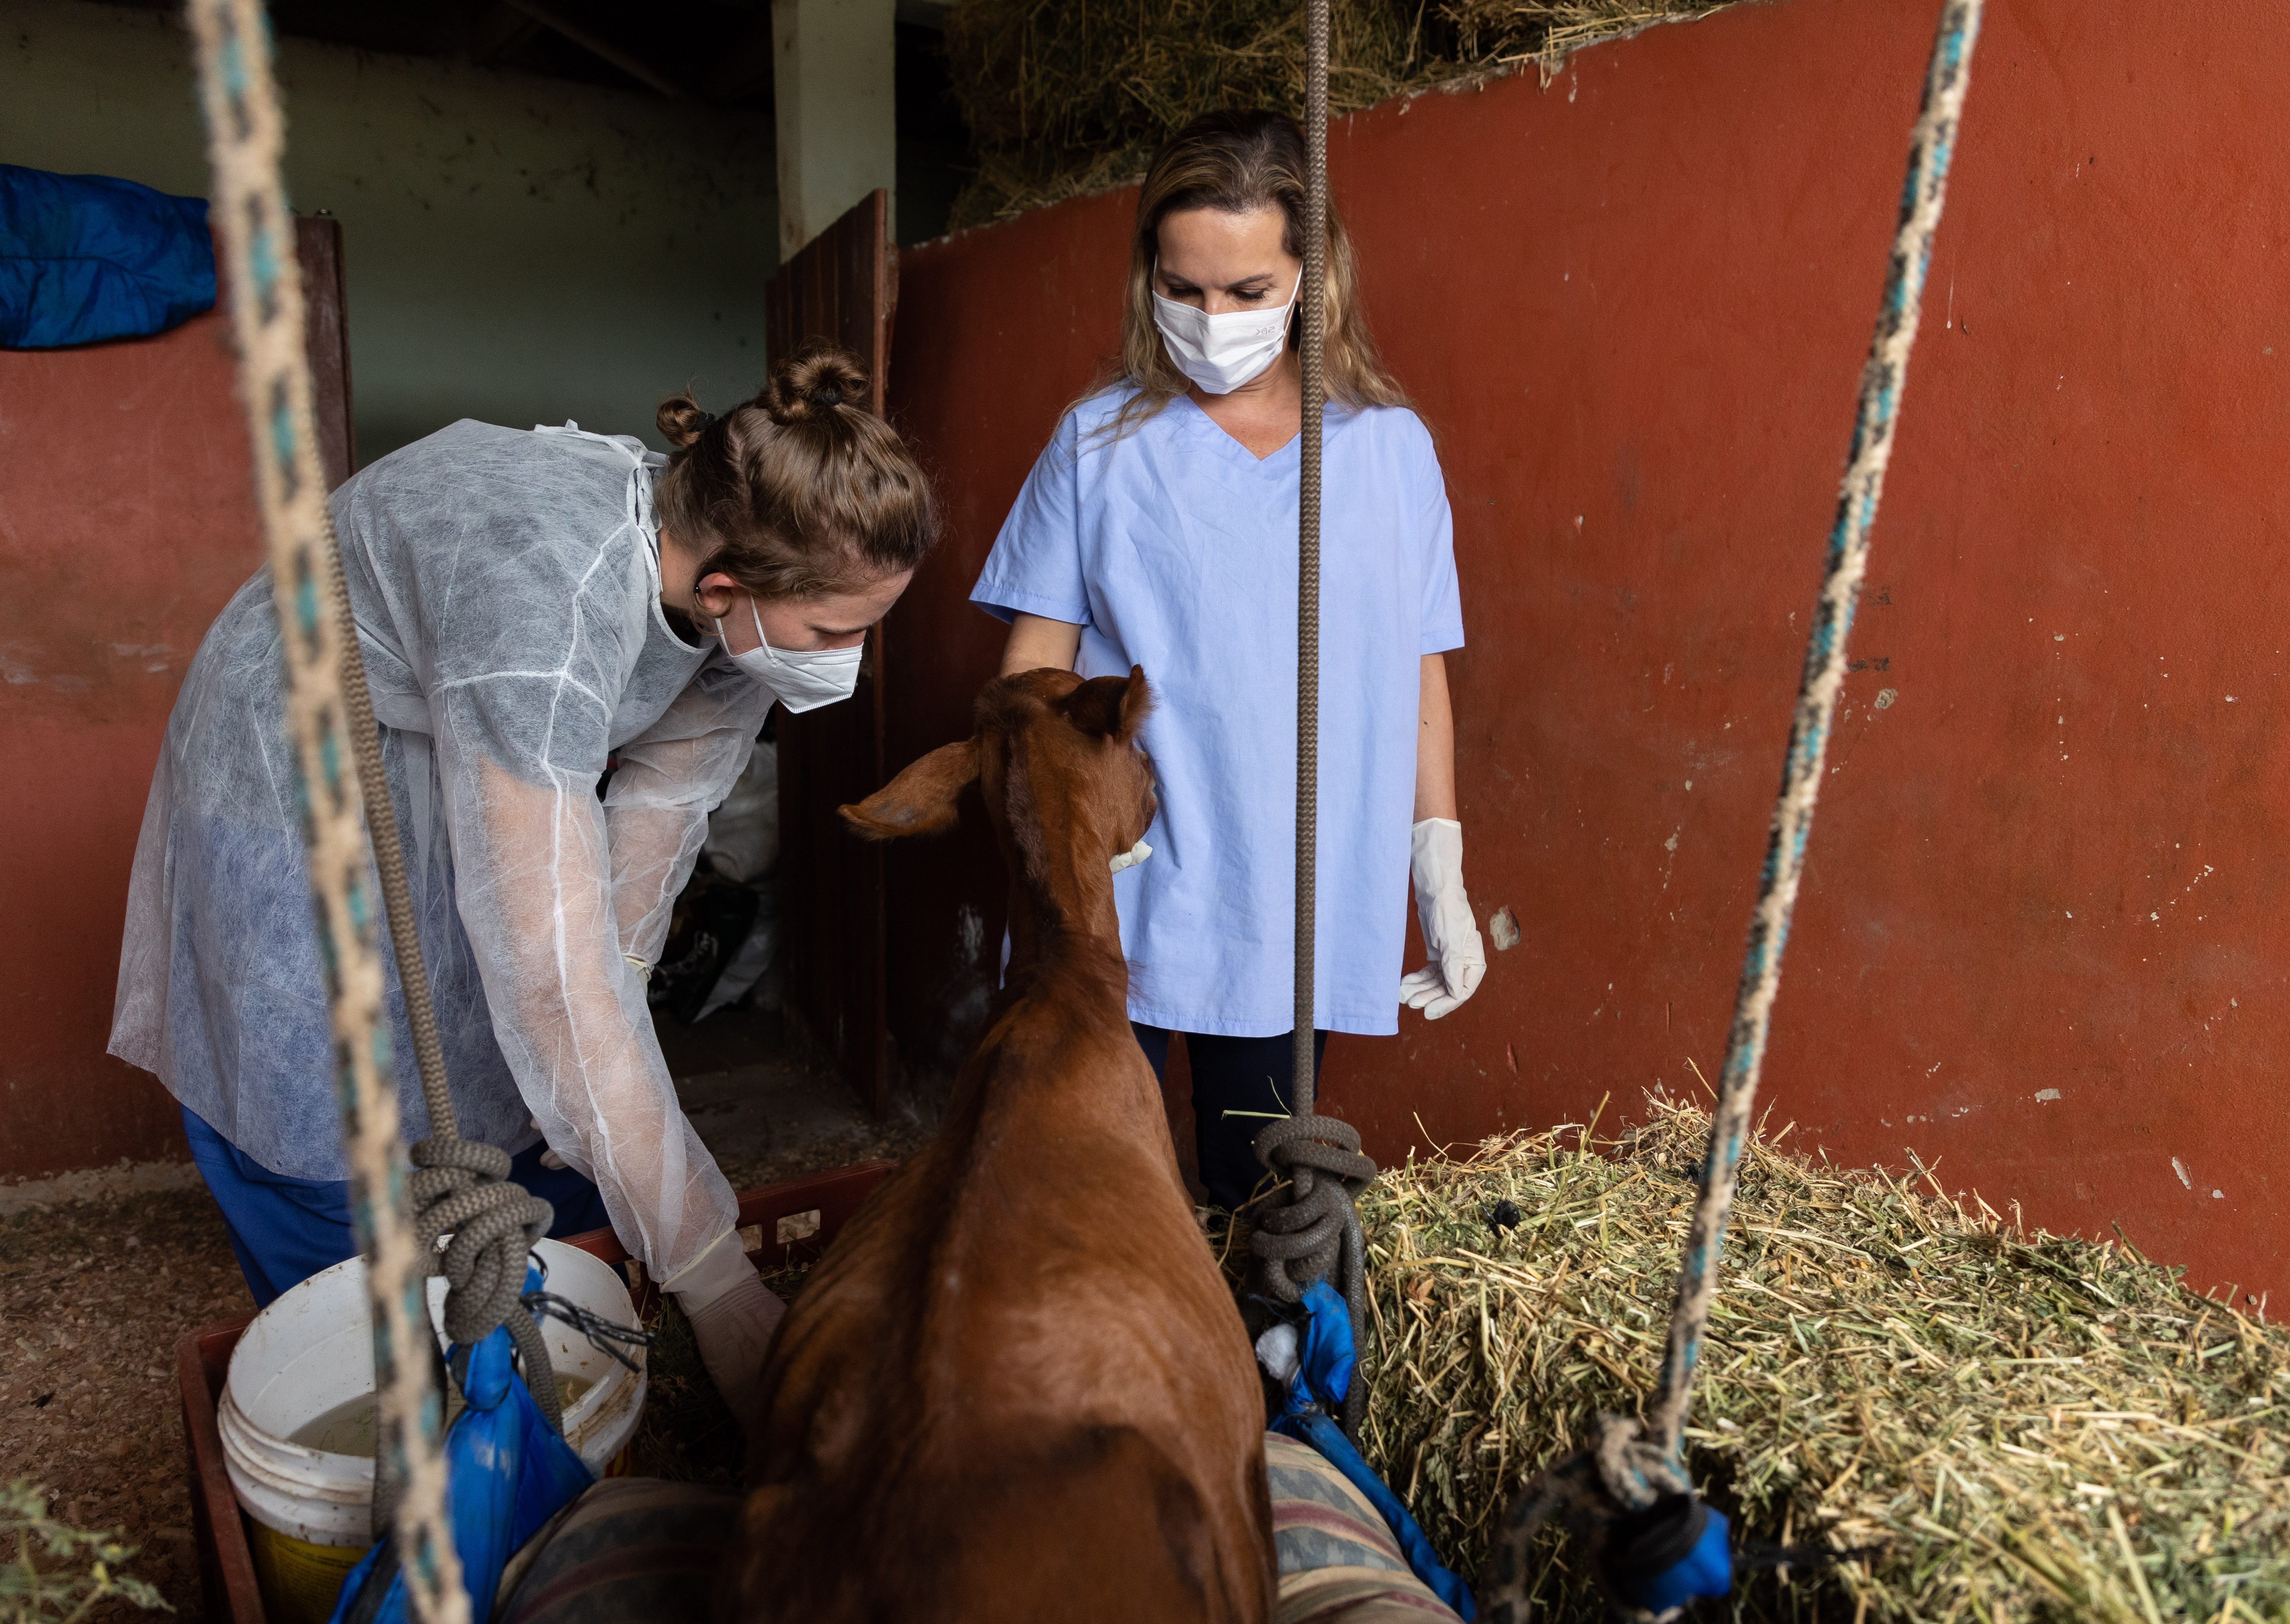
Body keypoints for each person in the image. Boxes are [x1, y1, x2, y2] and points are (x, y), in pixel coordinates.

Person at [110, 347, 937, 1424]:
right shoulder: (546, 603)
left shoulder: (737, 591)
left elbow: (658, 820)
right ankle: (385, 1388)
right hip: (296, 777)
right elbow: (552, 976)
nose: (849, 659)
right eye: (835, 633)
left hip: (456, 740)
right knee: (333, 1113)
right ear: (725, 590)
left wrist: (601, 1048)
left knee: (529, 1063)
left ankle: (536, 1322)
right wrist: (721, 1285)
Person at [970, 110, 1486, 1211]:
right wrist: (1049, 853)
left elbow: (1417, 667)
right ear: (1147, 275)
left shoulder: (1388, 452)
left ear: (1312, 275)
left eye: (1248, 291)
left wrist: (1436, 859)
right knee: (1096, 1200)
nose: (1212, 322)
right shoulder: (1097, 443)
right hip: (1122, 878)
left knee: (1259, 1203)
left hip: (1287, 887)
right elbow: (1033, 672)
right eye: (1184, 288)